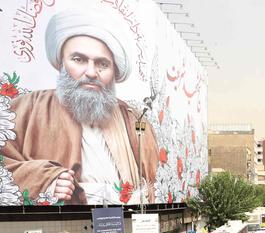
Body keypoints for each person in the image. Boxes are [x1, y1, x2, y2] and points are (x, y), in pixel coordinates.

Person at [3, 7, 159, 205]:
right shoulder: (27, 109)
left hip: (124, 218)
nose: (91, 72)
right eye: (79, 59)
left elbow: (152, 179)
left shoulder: (134, 119)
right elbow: (4, 164)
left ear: (114, 71)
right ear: (61, 62)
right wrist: (46, 179)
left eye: (102, 64)